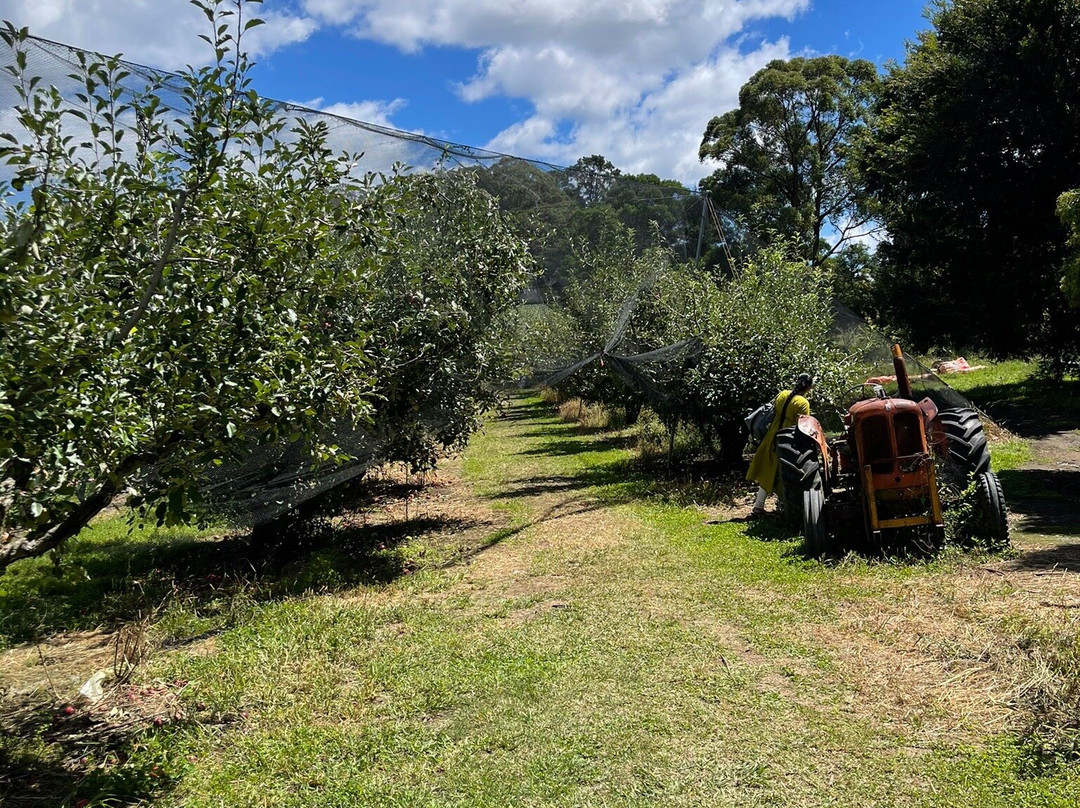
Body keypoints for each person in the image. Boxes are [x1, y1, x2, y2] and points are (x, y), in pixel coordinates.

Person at [746, 373, 813, 516]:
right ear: (809, 388)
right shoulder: (803, 403)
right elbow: (803, 426)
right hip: (789, 439)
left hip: (772, 436)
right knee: (783, 474)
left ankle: (759, 506)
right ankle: (781, 507)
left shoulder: (783, 394)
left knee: (768, 472)